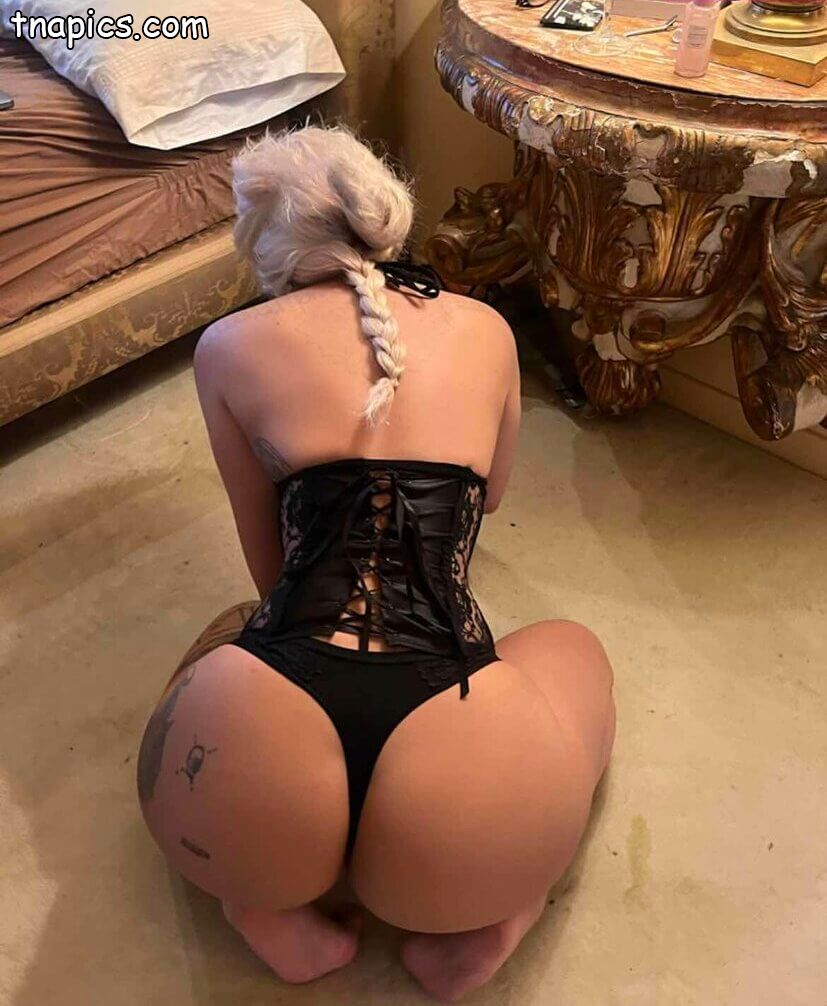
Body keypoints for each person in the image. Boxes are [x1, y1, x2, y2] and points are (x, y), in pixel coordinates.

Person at [137, 125, 616, 1003]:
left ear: (260, 240)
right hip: (462, 770)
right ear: (385, 213)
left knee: (226, 638)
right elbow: (491, 494)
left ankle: (263, 911)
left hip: (249, 769)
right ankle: (491, 921)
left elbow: (267, 563)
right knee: (572, 649)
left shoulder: (227, 346)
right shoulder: (485, 328)